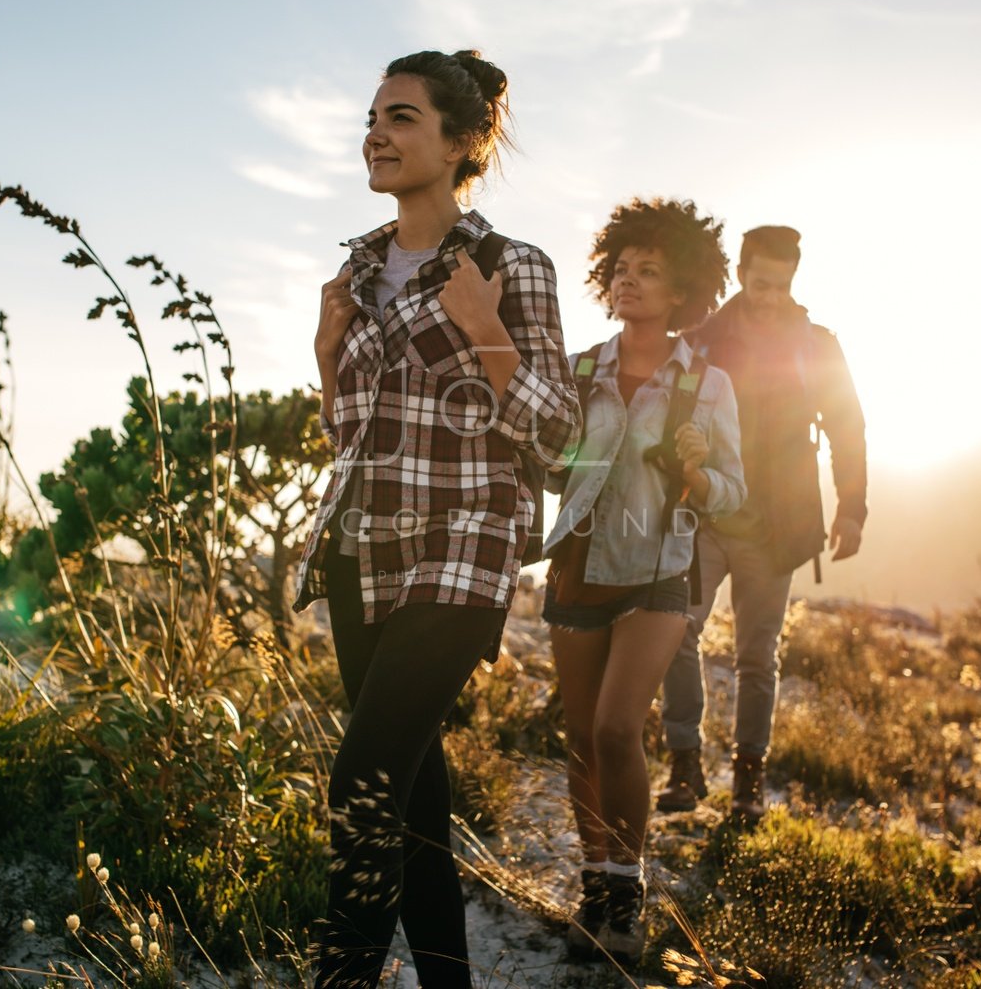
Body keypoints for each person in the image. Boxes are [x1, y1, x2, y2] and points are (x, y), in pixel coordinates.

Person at [293, 49, 581, 989]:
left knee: (362, 776)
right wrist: (329, 357)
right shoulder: (358, 270)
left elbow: (561, 435)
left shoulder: (509, 266)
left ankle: (341, 978)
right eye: (373, 115)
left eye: (403, 117)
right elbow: (352, 434)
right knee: (412, 792)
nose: (376, 132)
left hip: (466, 545)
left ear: (461, 143)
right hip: (362, 546)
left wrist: (486, 330)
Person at [543, 198, 744, 963]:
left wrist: (696, 474)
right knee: (578, 736)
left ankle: (625, 901)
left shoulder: (709, 386)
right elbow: (552, 466)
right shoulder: (580, 369)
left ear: (684, 292)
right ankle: (593, 887)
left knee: (617, 728)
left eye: (649, 271)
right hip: (578, 565)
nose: (629, 282)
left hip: (660, 570)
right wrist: (557, 458)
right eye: (622, 269)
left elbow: (735, 489)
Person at [654, 224, 868, 820]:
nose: (769, 294)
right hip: (703, 513)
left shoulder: (817, 345)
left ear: (792, 279)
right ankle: (684, 763)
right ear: (743, 273)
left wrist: (852, 508)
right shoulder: (702, 338)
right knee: (675, 632)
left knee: (757, 656)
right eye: (759, 281)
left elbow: (849, 427)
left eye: (780, 284)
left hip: (780, 525)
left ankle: (748, 780)